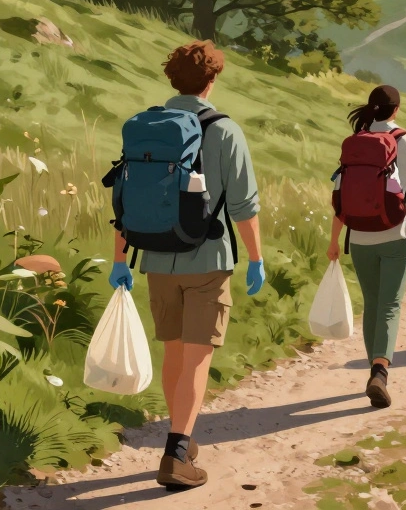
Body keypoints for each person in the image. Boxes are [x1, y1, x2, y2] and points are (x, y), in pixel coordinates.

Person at [108, 41, 266, 490]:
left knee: (174, 352)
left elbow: (126, 198)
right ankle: (176, 454)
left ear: (172, 79)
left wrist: (119, 259)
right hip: (208, 259)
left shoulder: (143, 128)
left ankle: (182, 433)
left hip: (155, 258)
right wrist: (255, 258)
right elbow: (243, 206)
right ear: (212, 79)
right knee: (198, 357)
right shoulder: (225, 130)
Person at [327, 85, 406, 409]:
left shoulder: (354, 144)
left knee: (373, 304)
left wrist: (334, 240)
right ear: (396, 109)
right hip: (398, 234)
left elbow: (340, 197)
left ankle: (374, 371)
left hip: (359, 236)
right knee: (390, 305)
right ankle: (380, 372)